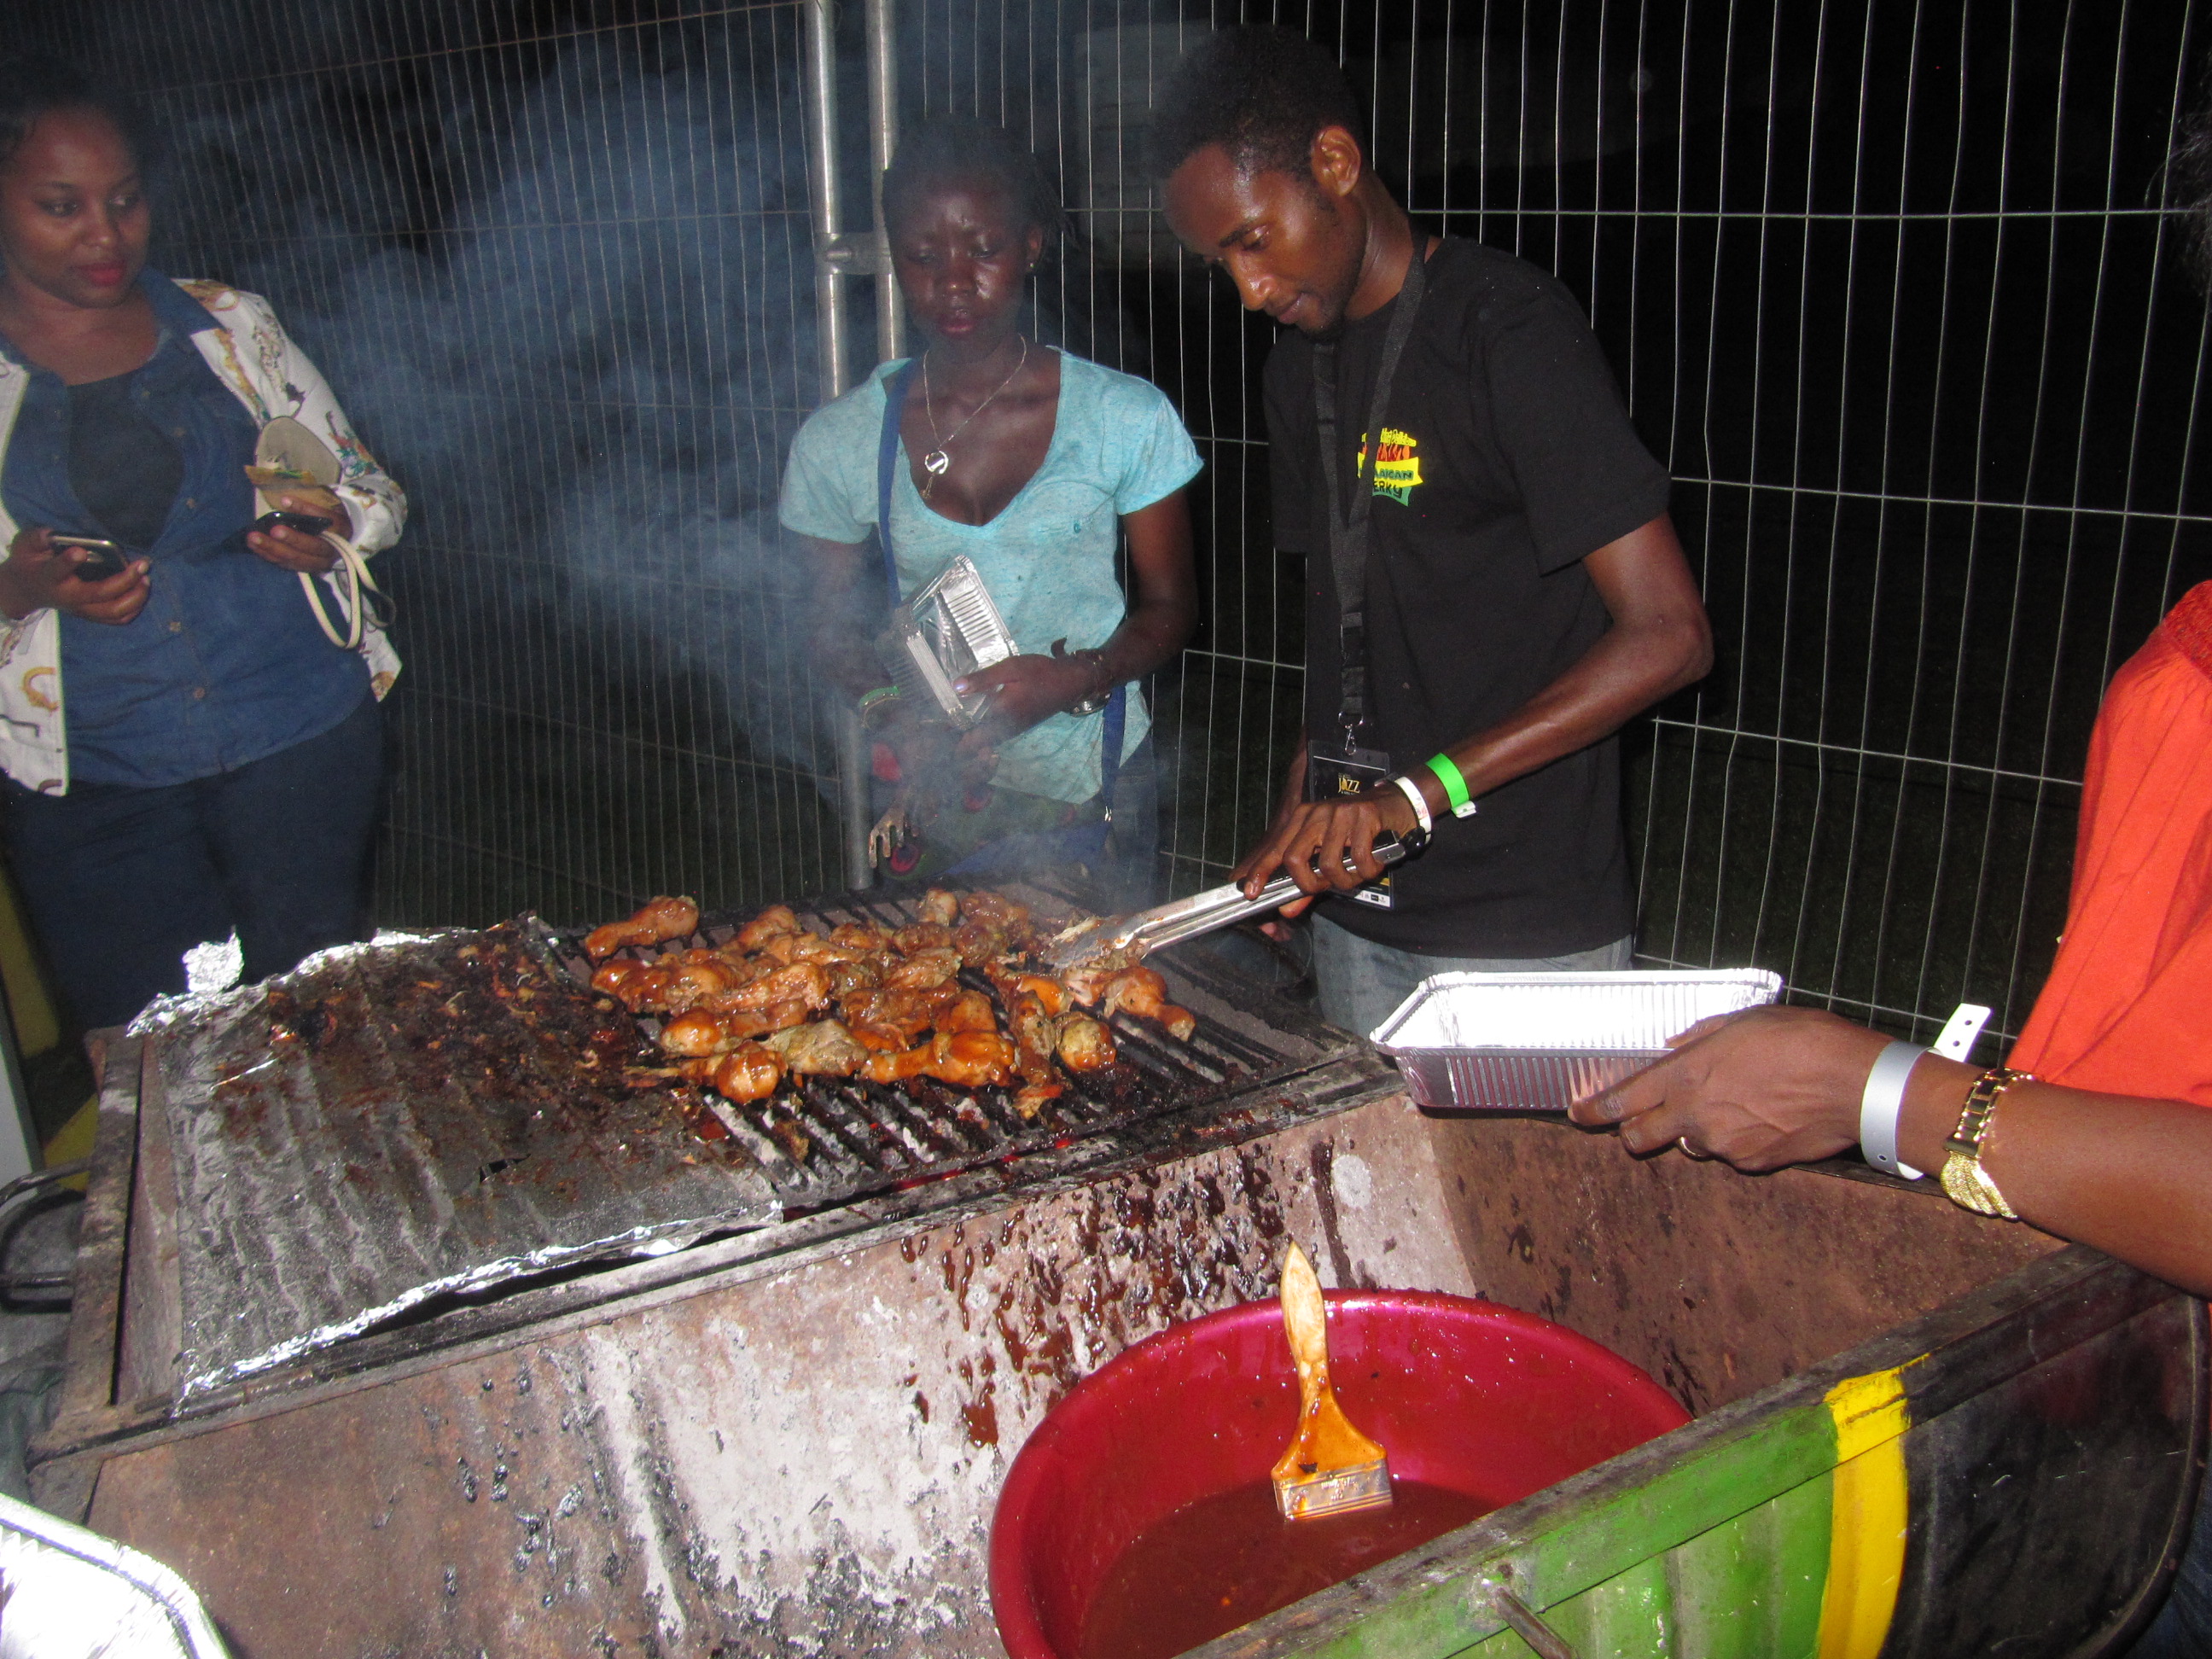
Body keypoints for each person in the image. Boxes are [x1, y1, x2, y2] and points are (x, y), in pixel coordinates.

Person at [1153, 27, 1712, 1038]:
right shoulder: (1294, 372)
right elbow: (1344, 630)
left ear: (1333, 163)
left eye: (1251, 240)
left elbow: (1670, 635)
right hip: (1360, 925)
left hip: (1521, 932)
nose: (1248, 291)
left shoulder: (1508, 330)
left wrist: (1417, 795)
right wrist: (1300, 817)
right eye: (1218, 264)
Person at [0, 56, 403, 1030]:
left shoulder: (227, 327)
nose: (107, 234)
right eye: (63, 207)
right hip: (97, 783)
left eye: (126, 200)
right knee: (155, 1054)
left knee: (321, 1028)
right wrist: (17, 587)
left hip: (299, 739)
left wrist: (333, 526)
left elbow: (371, 490)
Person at [779, 120, 1198, 906]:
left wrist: (1074, 678)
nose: (954, 282)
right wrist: (887, 710)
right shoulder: (840, 440)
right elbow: (818, 614)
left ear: (1032, 247)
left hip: (1093, 787)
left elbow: (1172, 608)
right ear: (894, 260)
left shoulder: (1123, 418)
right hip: (937, 798)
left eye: (984, 248)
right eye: (924, 256)